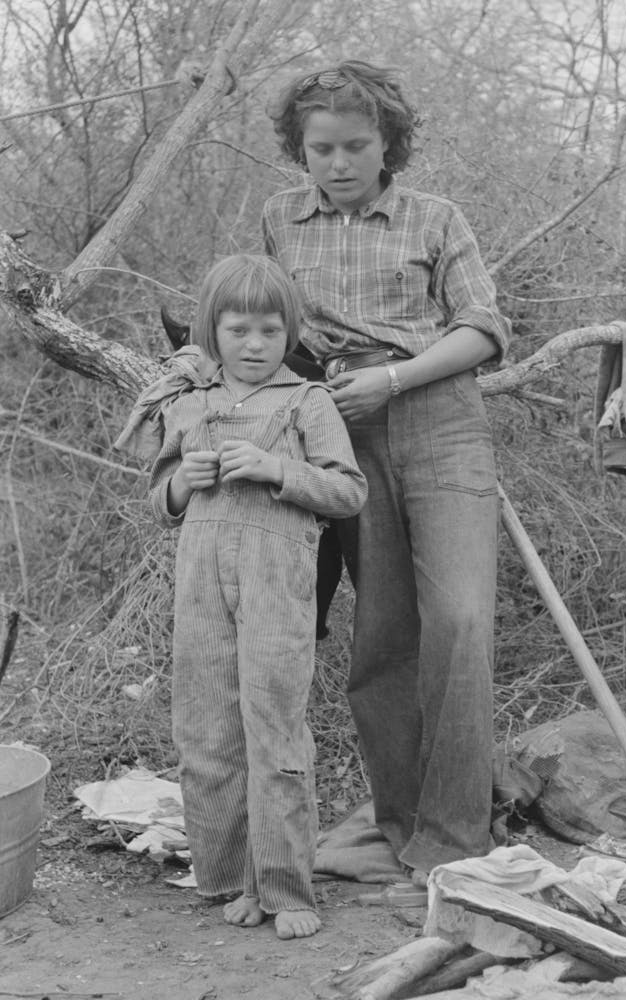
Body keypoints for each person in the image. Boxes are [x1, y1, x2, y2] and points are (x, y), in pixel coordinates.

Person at [262, 61, 511, 886]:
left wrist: (394, 378)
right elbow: (266, 326)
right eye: (320, 149)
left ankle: (454, 845)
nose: (337, 164)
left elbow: (481, 329)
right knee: (383, 637)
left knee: (462, 624)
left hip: (439, 419)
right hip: (341, 432)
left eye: (355, 147)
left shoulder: (434, 218)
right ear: (299, 149)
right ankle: (404, 830)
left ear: (388, 145)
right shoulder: (280, 220)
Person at [147, 254, 367, 937]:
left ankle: (287, 889)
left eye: (269, 331)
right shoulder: (188, 405)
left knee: (273, 729)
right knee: (208, 730)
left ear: (288, 333)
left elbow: (348, 492)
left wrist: (278, 468)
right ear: (212, 332)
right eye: (237, 330)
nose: (253, 344)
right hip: (202, 583)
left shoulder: (309, 402)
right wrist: (186, 477)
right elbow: (161, 499)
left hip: (278, 583)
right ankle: (234, 877)